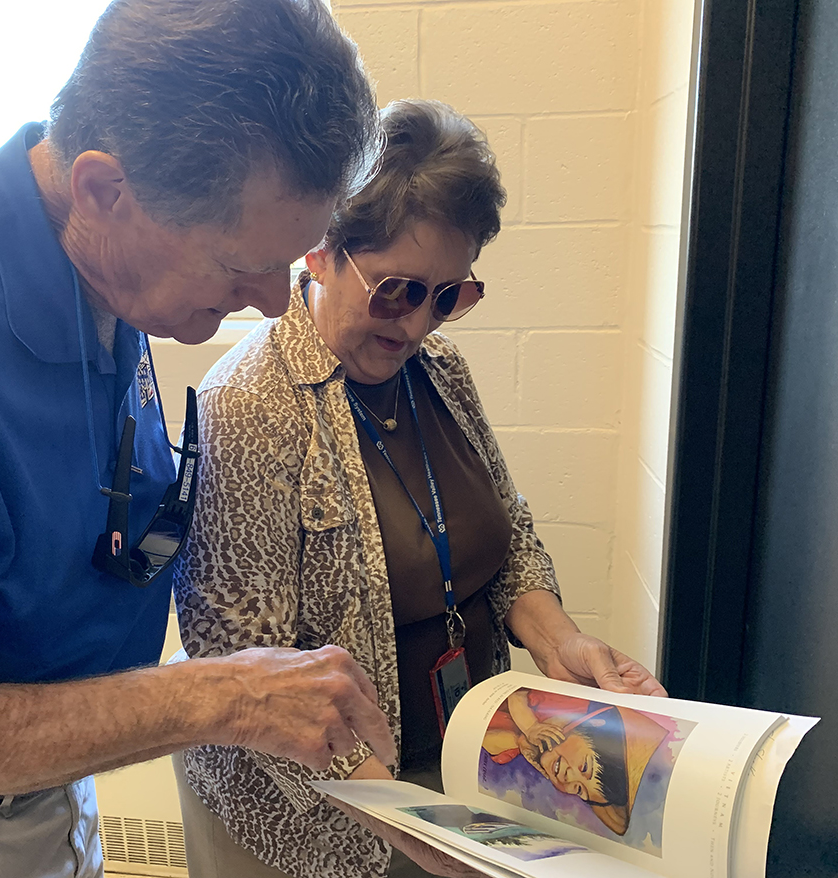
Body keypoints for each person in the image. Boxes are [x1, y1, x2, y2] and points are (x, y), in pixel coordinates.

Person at [0, 2, 397, 876]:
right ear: (102, 190)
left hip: (51, 781)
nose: (274, 303)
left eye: (285, 264)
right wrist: (225, 697)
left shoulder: (104, 264)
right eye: (237, 266)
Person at [171, 99, 669, 878]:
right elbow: (244, 678)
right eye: (396, 290)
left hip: (453, 769)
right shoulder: (247, 407)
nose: (415, 327)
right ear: (320, 252)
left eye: (448, 297)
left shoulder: (439, 373)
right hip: (304, 820)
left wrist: (563, 643)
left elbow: (509, 540)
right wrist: (410, 823)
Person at [482, 689, 670, 836]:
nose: (570, 780)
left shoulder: (523, 752)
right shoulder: (569, 709)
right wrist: (530, 727)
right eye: (585, 768)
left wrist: (524, 744)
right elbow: (518, 697)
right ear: (594, 726)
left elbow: (491, 742)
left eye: (580, 790)